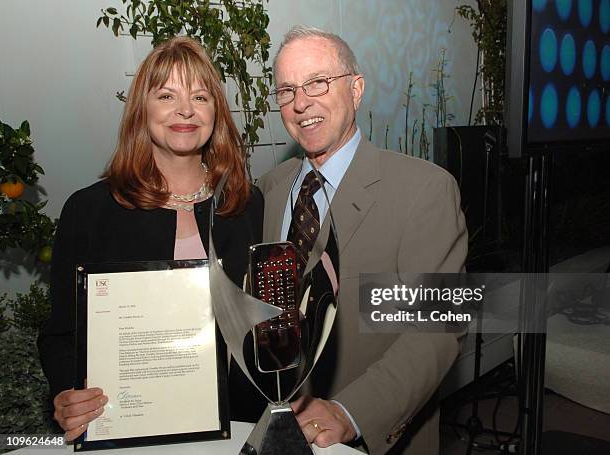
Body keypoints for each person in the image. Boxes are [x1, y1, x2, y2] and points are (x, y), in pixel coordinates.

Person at [37, 36, 263, 441]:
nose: (185, 110)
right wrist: (65, 395)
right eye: (166, 95)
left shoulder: (246, 205)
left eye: (200, 96)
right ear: (143, 109)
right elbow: (61, 335)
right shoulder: (89, 211)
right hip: (125, 429)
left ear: (216, 112)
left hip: (242, 429)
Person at [257, 26, 468, 455]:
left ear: (356, 89)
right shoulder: (267, 191)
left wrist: (351, 412)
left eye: (318, 82)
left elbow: (437, 329)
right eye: (286, 90)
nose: (301, 103)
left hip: (370, 440)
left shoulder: (424, 190)